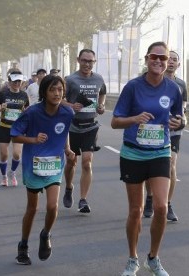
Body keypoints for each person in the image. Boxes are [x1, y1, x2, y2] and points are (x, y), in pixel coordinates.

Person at [111, 41, 183, 276]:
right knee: (136, 210)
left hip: (160, 151)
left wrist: (179, 122)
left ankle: (153, 258)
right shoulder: (133, 87)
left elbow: (180, 118)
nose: (159, 61)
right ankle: (132, 260)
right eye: (155, 57)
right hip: (133, 152)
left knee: (161, 207)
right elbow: (115, 122)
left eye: (163, 58)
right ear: (146, 58)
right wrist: (135, 119)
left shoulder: (173, 89)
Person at [11, 75, 75, 265]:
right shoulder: (32, 112)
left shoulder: (67, 112)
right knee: (32, 209)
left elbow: (64, 132)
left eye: (60, 90)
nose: (57, 93)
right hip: (33, 166)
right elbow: (15, 136)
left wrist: (67, 149)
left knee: (52, 206)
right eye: (52, 90)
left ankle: (45, 234)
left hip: (54, 165)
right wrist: (33, 140)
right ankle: (23, 245)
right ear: (44, 92)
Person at [143, 50, 187, 222]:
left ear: (178, 64)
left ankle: (167, 204)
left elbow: (183, 110)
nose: (171, 63)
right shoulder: (150, 80)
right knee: (150, 167)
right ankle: (149, 198)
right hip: (154, 129)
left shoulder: (181, 85)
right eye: (169, 59)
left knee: (171, 165)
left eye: (175, 60)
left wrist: (182, 121)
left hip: (173, 131)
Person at [62, 49, 106, 213]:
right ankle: (68, 187)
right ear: (78, 60)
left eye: (91, 61)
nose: (87, 64)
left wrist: (101, 106)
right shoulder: (70, 79)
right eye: (84, 60)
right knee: (71, 162)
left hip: (91, 125)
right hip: (73, 125)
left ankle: (83, 200)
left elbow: (102, 94)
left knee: (87, 162)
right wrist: (71, 106)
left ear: (94, 62)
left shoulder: (98, 78)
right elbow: (59, 100)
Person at [0, 71, 29, 186]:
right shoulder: (3, 94)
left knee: (17, 154)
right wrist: (0, 108)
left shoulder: (24, 95)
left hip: (18, 129)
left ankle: (12, 172)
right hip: (4, 127)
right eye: (14, 81)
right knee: (4, 154)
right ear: (9, 81)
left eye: (19, 81)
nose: (17, 83)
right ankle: (4, 176)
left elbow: (27, 110)